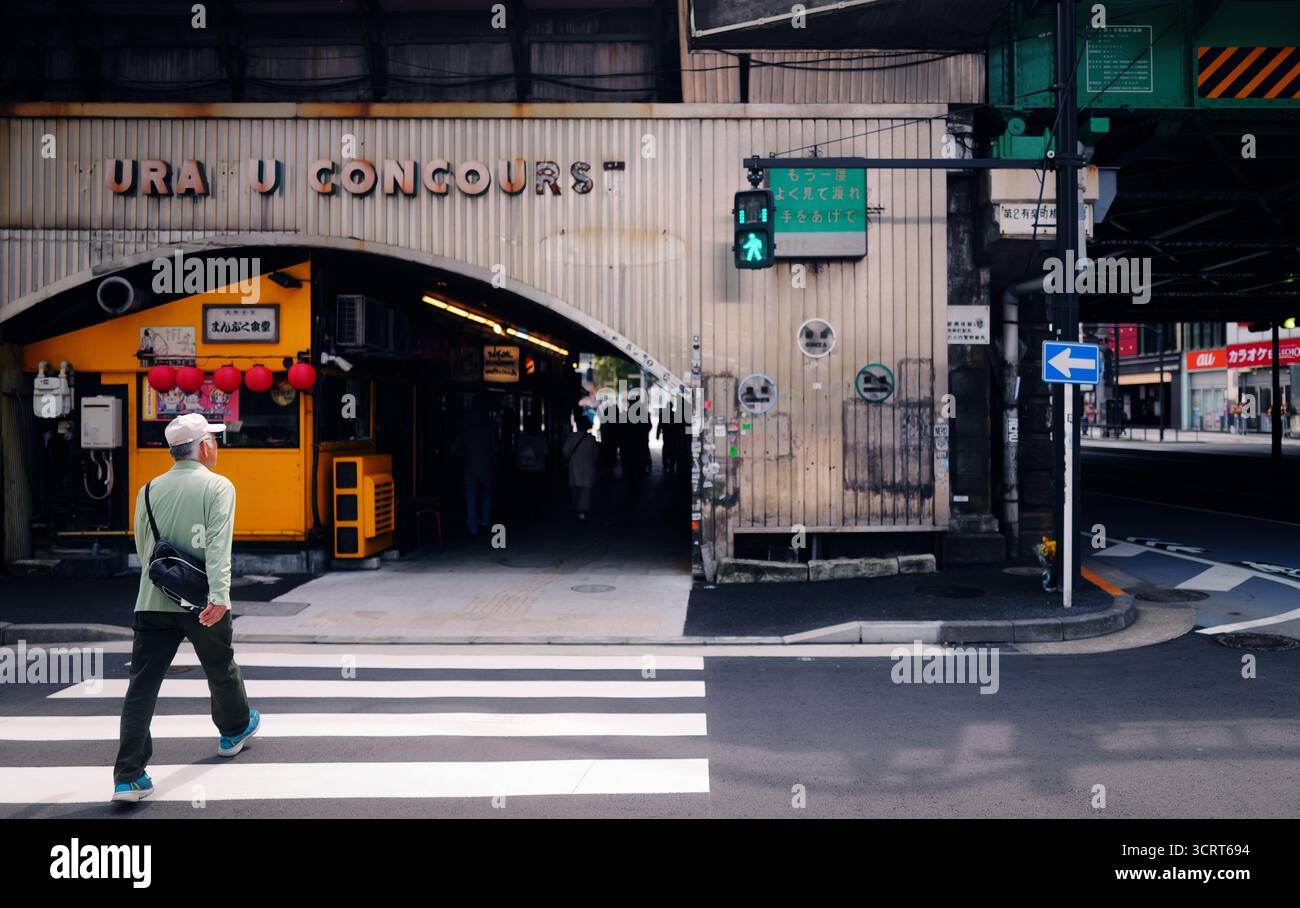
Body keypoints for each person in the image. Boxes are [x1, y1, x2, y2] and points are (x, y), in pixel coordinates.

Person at [113, 413, 258, 803]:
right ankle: (233, 731)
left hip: (151, 601)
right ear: (205, 446)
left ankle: (128, 776)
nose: (216, 445)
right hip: (201, 604)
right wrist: (219, 597)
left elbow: (146, 552)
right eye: (214, 439)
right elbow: (217, 546)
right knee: (219, 666)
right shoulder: (218, 487)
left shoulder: (147, 490)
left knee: (142, 687)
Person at [453, 395, 497, 536]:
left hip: (469, 467)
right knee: (486, 494)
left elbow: (453, 448)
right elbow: (495, 449)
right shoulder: (488, 428)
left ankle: (472, 527)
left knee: (470, 498)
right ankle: (484, 521)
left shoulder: (466, 429)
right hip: (485, 467)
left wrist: (464, 455)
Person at [562, 413, 600, 523]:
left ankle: (575, 510)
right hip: (588, 470)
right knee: (586, 492)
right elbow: (596, 455)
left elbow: (565, 452)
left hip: (574, 469)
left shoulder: (571, 437)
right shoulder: (592, 439)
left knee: (574, 489)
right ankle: (583, 512)